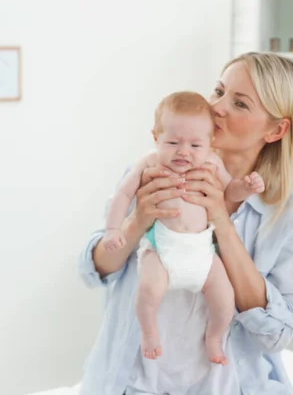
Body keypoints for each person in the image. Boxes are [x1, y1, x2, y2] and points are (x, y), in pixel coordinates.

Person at [79, 52, 293, 395]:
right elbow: (94, 269)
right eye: (218, 91)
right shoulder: (154, 171)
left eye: (240, 104)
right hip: (132, 384)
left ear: (276, 130)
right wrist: (138, 220)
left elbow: (276, 333)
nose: (217, 107)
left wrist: (221, 220)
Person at [102, 91, 265, 365]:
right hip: (162, 249)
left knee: (225, 301)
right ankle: (149, 332)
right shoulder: (149, 163)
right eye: (173, 142)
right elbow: (122, 195)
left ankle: (214, 338)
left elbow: (231, 189)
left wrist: (246, 187)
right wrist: (112, 229)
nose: (183, 152)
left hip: (203, 252)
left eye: (195, 145)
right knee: (147, 292)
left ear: (210, 142)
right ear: (156, 137)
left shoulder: (213, 162)